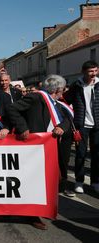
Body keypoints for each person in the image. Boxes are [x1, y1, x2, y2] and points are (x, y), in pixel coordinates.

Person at [8, 74, 70, 230]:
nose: (63, 92)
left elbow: (67, 119)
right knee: (34, 181)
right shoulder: (36, 98)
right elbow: (13, 109)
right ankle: (32, 214)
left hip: (51, 147)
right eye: (62, 89)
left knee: (49, 181)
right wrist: (23, 128)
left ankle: (44, 208)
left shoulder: (57, 103)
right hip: (35, 148)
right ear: (57, 89)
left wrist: (62, 127)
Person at [64, 60, 99, 193]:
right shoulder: (77, 85)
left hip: (97, 125)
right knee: (80, 154)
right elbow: (66, 102)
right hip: (81, 125)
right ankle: (79, 181)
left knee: (96, 154)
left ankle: (96, 181)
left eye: (96, 71)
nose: (93, 74)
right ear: (84, 71)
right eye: (90, 71)